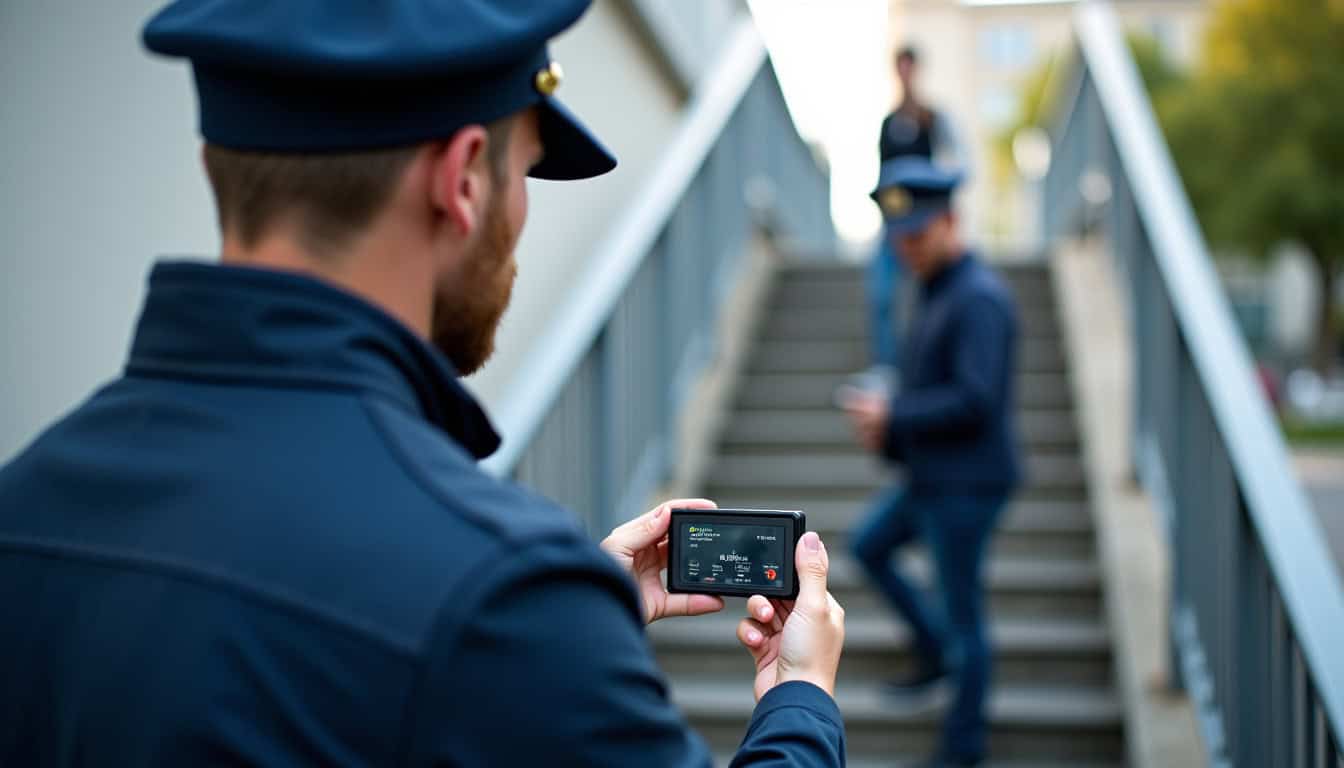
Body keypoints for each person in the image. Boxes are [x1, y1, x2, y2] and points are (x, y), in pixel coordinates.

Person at [0, 2, 847, 766]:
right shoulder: (496, 595)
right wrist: (800, 701)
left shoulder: (26, 504)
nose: (521, 219)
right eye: (526, 172)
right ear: (465, 179)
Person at [843, 156, 1021, 768]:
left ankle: (963, 748)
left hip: (968, 484)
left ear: (950, 221)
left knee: (966, 617)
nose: (907, 250)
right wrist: (889, 430)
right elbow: (933, 396)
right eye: (898, 240)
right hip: (931, 476)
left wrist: (895, 417)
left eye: (917, 235)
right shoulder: (938, 291)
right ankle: (933, 649)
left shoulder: (979, 298)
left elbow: (977, 401)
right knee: (868, 545)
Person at [865, 45, 968, 389]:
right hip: (895, 222)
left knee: (922, 297)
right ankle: (889, 367)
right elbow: (884, 176)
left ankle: (921, 368)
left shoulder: (932, 118)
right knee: (882, 295)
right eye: (901, 67)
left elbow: (955, 161)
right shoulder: (888, 122)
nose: (905, 73)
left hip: (923, 221)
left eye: (910, 66)